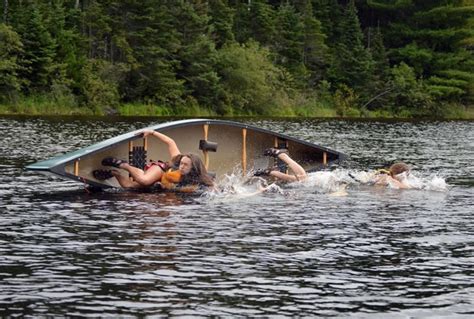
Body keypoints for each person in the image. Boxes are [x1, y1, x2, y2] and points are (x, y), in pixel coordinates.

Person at [92, 130, 214, 191]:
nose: (182, 166)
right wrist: (152, 132)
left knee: (128, 186)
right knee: (144, 180)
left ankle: (114, 173)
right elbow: (170, 142)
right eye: (182, 163)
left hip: (161, 183)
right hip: (160, 170)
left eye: (185, 165)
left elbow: (213, 188)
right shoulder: (177, 160)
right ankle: (123, 165)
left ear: (193, 167)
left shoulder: (198, 178)